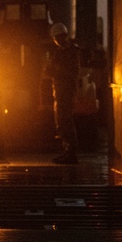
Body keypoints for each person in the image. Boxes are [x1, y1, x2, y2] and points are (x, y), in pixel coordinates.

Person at [46, 22, 80, 164]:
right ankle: (67, 151)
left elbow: (51, 70)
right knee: (61, 121)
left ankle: (70, 152)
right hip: (62, 89)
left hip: (64, 89)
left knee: (64, 120)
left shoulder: (66, 52)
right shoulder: (68, 51)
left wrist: (56, 70)